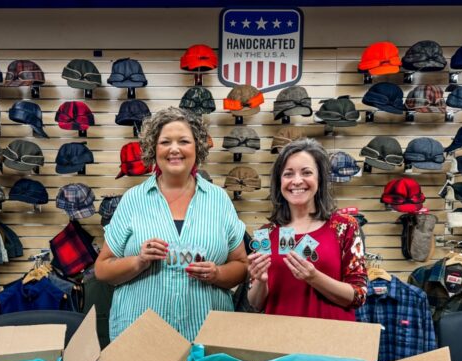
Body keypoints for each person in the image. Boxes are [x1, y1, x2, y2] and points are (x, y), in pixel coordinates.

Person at [95, 107, 248, 342]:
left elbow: (240, 265)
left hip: (206, 333)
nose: (174, 149)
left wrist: (216, 273)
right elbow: (102, 268)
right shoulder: (134, 200)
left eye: (184, 141)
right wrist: (139, 261)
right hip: (141, 336)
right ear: (153, 149)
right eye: (165, 142)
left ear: (197, 147)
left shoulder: (219, 199)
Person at [247, 139, 367, 320]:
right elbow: (255, 303)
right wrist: (261, 282)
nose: (296, 181)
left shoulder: (345, 226)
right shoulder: (266, 233)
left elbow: (359, 295)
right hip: (278, 341)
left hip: (331, 340)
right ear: (279, 181)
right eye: (288, 174)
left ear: (320, 178)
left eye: (306, 172)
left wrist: (314, 277)